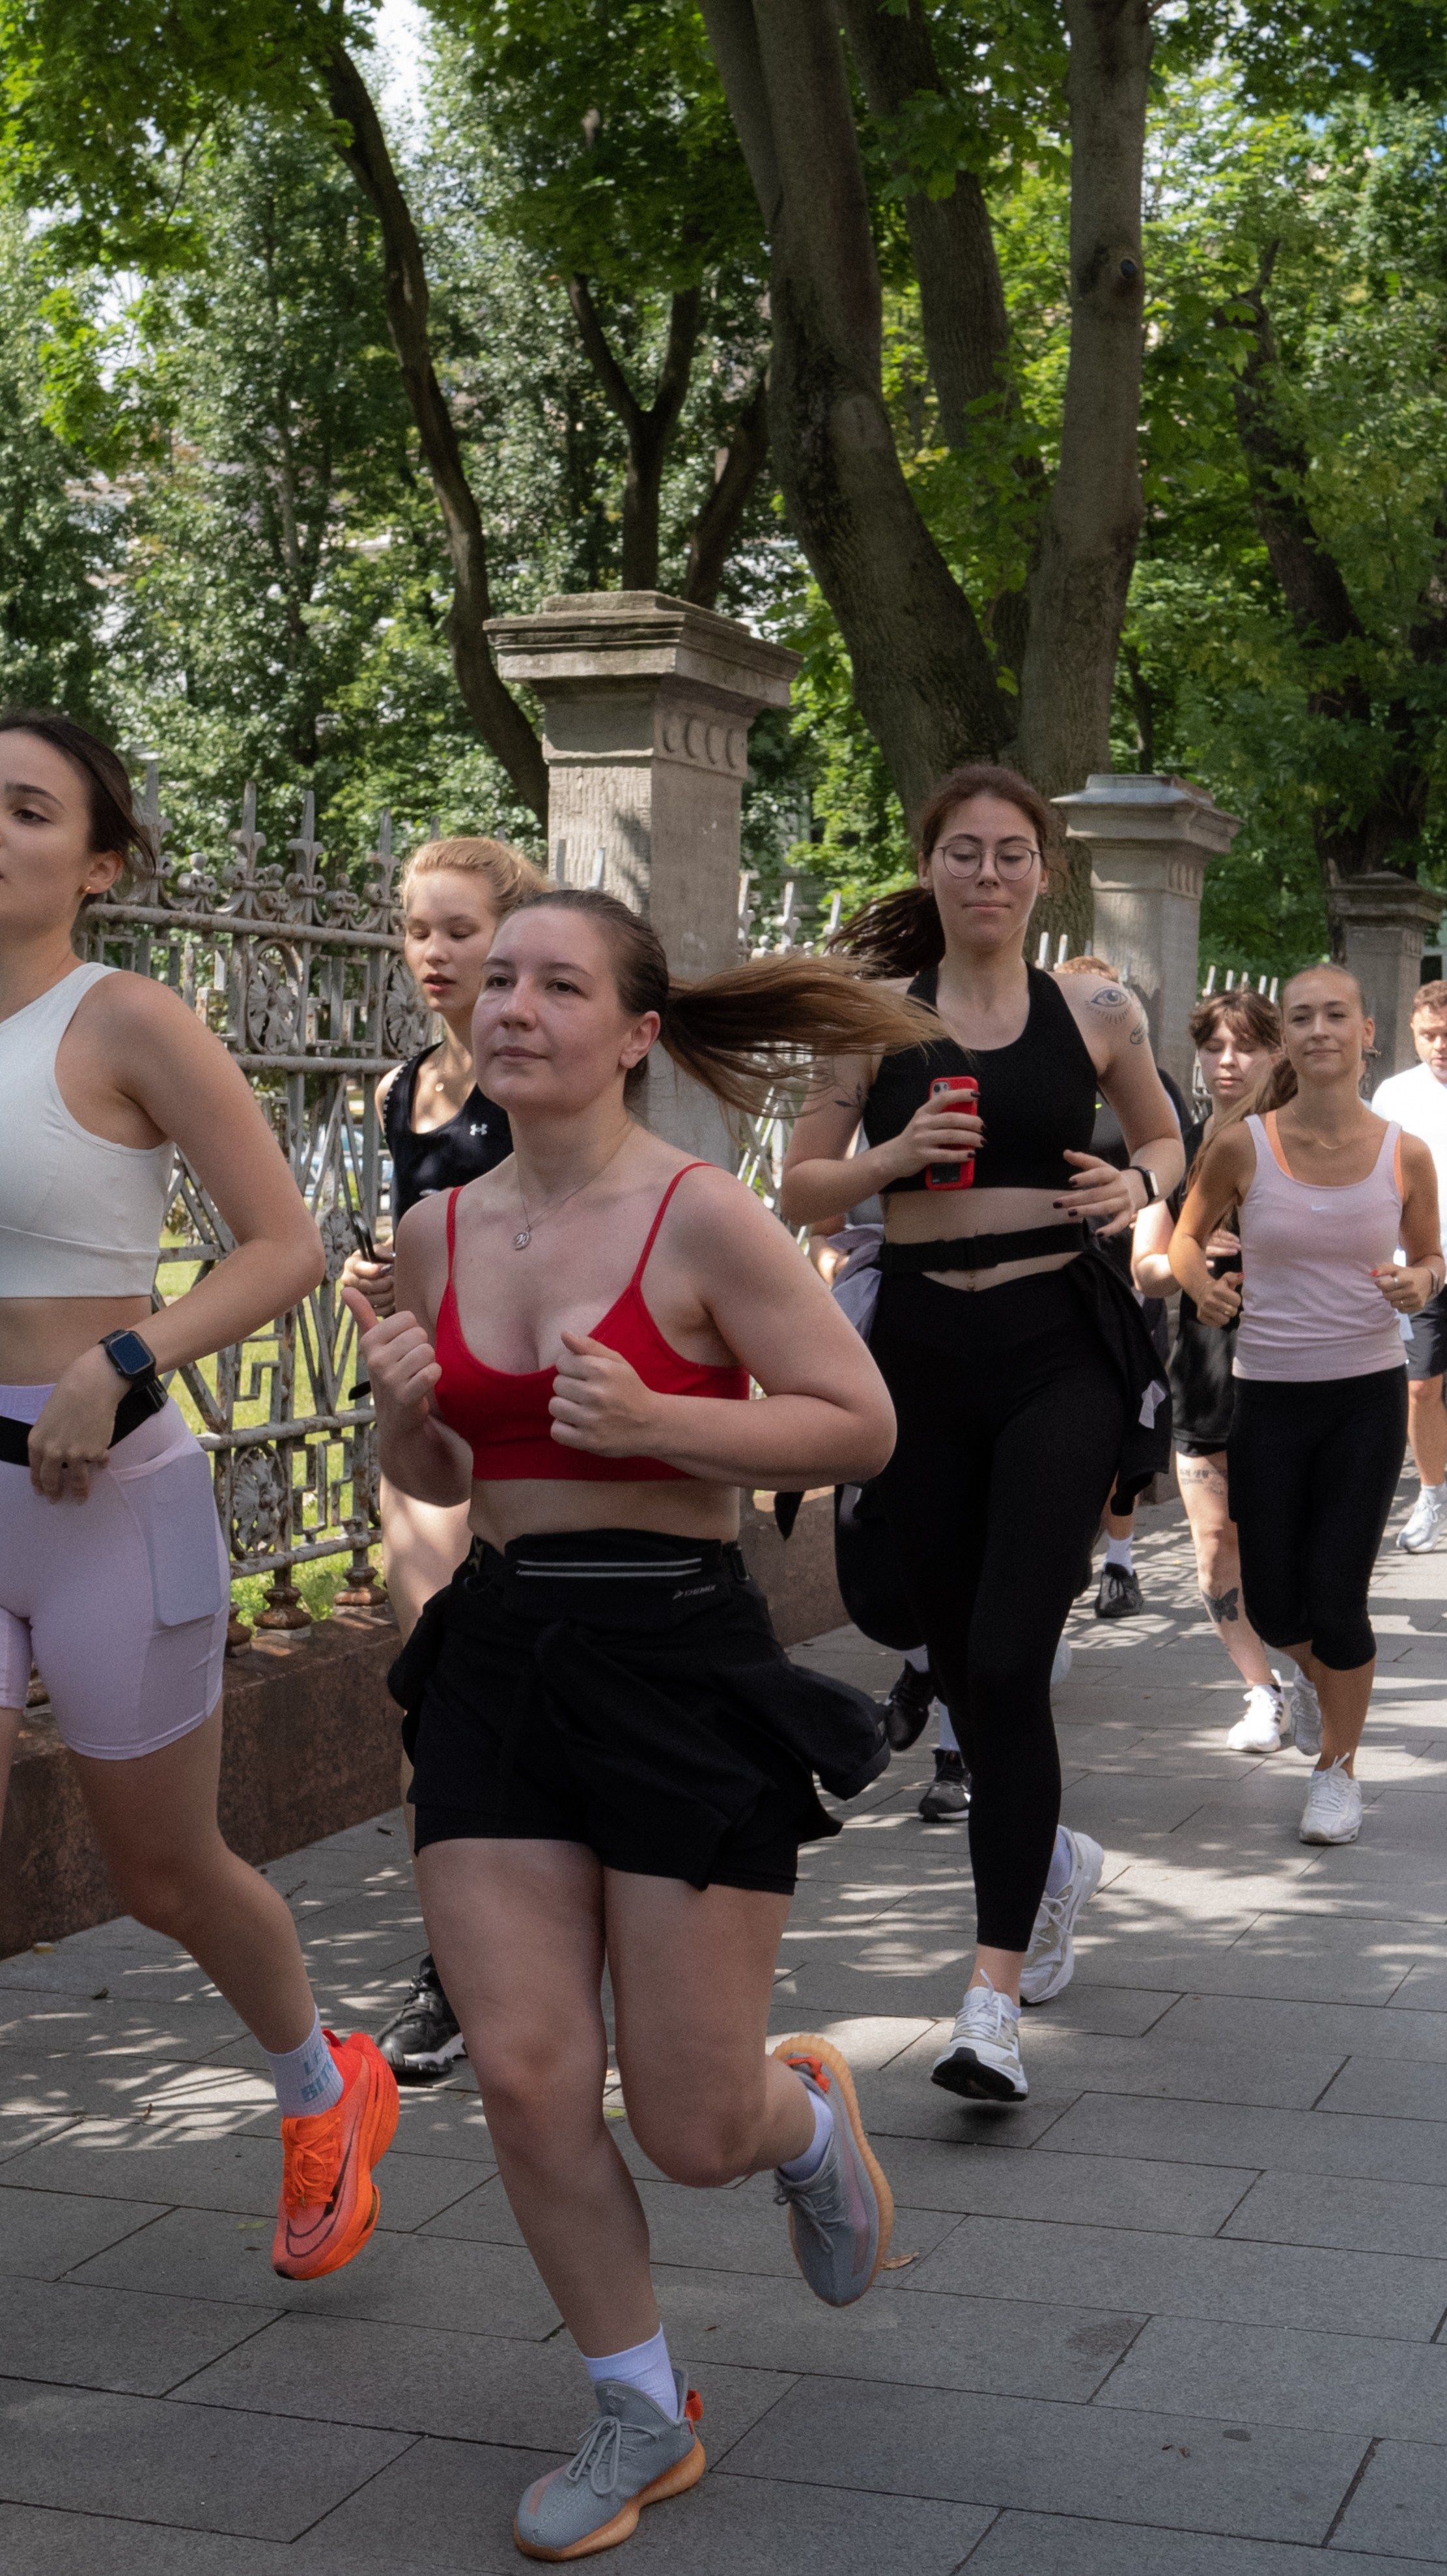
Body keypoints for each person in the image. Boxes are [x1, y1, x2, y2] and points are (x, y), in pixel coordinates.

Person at [346, 888, 926, 2561]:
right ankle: (638, 2408)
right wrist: (403, 1418)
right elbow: (442, 1474)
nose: (511, 1007)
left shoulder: (700, 1215)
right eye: (495, 981)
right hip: (500, 1655)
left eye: (556, 984)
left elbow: (860, 1423)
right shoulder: (440, 1230)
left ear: (634, 1034)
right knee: (527, 2074)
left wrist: (667, 1417)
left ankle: (797, 2119)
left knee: (688, 2128)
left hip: (676, 1659)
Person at [0, 707, 397, 2282]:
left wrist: (123, 1359)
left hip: (107, 1497)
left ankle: (321, 2086)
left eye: (27, 810)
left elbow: (286, 1247)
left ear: (97, 866)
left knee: (162, 1871)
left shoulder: (127, 1022)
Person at [781, 762, 1183, 2106]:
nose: (989, 873)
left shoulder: (1095, 1008)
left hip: (1057, 1344)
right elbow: (799, 1185)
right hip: (920, 1355)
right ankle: (1051, 1859)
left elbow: (1167, 1140)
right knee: (960, 1664)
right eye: (964, 850)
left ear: (1043, 873)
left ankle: (990, 1999)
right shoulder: (871, 1021)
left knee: (1008, 1658)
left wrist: (1134, 1184)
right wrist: (890, 1163)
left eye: (1013, 852)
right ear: (930, 864)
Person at [340, 834, 544, 2082]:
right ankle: (452, 1970)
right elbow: (411, 1236)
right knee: (434, 1695)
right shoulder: (399, 1087)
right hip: (425, 1414)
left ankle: (552, 1932)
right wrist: (375, 1276)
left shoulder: (541, 1081)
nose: (433, 952)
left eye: (459, 930)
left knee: (531, 1691)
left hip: (523, 1419)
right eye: (418, 929)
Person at [1170, 963, 1442, 1846]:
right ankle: (1316, 1682)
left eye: (1335, 1014)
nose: (1317, 1028)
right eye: (1300, 1017)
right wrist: (1201, 1288)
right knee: (1278, 1606)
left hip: (1363, 1397)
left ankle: (1337, 1771)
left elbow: (1431, 1257)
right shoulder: (1242, 1145)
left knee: (1337, 1596)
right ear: (1284, 1038)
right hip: (1267, 1396)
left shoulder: (1404, 1151)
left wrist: (1418, 1281)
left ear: (1366, 1033)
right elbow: (1184, 1238)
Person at [1132, 986, 1292, 1750]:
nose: (1227, 1062)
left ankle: (1312, 1667)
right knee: (1212, 1545)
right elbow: (1145, 1269)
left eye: (1245, 1046)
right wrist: (1186, 1257)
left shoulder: (1306, 1143)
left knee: (1287, 1546)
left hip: (1296, 1370)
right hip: (1205, 1370)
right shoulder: (1176, 1148)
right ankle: (1262, 1691)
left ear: (1275, 1053)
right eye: (1212, 1046)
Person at [1056, 955, 1190, 1622]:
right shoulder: (1039, 1077)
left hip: (1126, 1275)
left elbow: (1171, 1160)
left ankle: (1120, 1558)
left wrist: (1140, 1197)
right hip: (1053, 1275)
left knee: (1123, 1422)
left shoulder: (1147, 1082)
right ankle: (1064, 1546)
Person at [1372, 981, 1447, 1552]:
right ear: (1415, 1035)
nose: (1440, 1044)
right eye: (1430, 1034)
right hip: (1419, 1265)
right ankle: (1432, 1494)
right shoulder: (1394, 1095)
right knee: (1420, 1387)